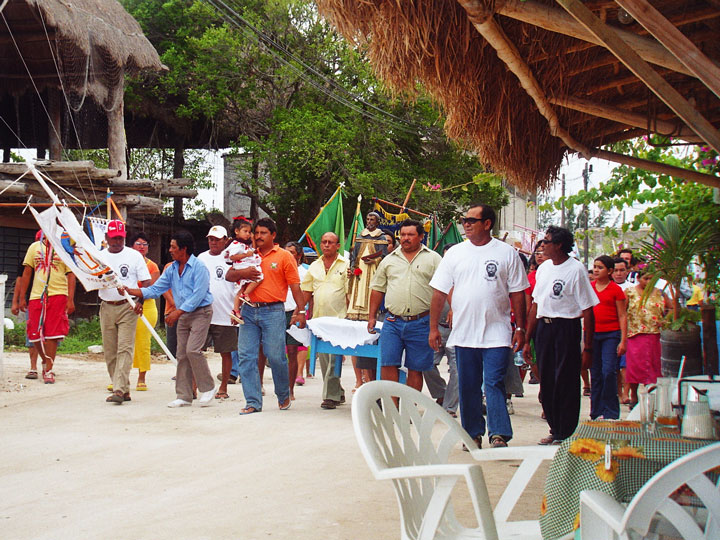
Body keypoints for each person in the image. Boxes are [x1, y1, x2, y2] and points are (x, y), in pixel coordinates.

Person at [429, 204, 528, 449]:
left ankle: (499, 434)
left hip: (497, 332)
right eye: (464, 220)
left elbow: (518, 294)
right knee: (468, 384)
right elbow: (439, 292)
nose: (466, 224)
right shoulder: (454, 253)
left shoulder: (506, 253)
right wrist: (433, 328)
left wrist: (521, 328)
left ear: (487, 224)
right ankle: (472, 433)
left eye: (472, 220)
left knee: (493, 382)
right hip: (463, 334)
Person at [124, 231, 216, 408]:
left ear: (184, 249)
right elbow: (156, 289)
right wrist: (132, 291)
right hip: (183, 314)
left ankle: (208, 387)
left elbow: (198, 296)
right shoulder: (171, 269)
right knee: (181, 354)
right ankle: (184, 395)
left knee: (193, 350)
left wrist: (177, 313)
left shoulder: (199, 267)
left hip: (201, 312)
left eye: (174, 247)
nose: (170, 250)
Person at [524, 226, 598, 445]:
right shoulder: (544, 269)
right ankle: (554, 428)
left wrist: (589, 347)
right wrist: (528, 338)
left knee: (565, 380)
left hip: (566, 327)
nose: (542, 245)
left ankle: (566, 431)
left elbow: (587, 309)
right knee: (546, 380)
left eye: (547, 241)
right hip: (544, 328)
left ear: (559, 245)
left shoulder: (575, 270)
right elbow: (536, 304)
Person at [226, 217, 306, 415]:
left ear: (273, 235)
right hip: (248, 310)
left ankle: (283, 394)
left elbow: (295, 286)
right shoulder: (246, 253)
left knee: (276, 356)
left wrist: (301, 311)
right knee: (246, 356)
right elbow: (229, 275)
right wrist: (245, 271)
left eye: (263, 233)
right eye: (256, 233)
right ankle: (253, 401)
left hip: (273, 311)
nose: (258, 237)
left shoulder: (284, 256)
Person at [368, 219, 441, 391]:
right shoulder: (389, 260)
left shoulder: (433, 259)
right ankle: (392, 408)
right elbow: (377, 289)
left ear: (421, 237)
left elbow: (444, 288)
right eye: (403, 234)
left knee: (416, 369)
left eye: (411, 235)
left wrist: (451, 310)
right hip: (393, 321)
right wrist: (371, 317)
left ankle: (409, 410)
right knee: (388, 364)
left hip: (421, 322)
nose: (406, 238)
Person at [98, 221, 152, 404]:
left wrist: (140, 302)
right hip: (106, 305)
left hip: (128, 306)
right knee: (110, 351)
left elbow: (146, 283)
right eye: (113, 238)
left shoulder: (134, 256)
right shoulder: (99, 257)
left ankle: (118, 390)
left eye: (120, 238)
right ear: (106, 238)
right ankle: (124, 388)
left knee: (125, 348)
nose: (117, 242)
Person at [18, 230, 76, 384]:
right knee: (34, 333)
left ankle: (48, 369)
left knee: (52, 334)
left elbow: (71, 275)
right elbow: (27, 272)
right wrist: (22, 297)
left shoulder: (63, 248)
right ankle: (45, 360)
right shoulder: (34, 247)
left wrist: (70, 299)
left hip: (58, 294)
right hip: (37, 295)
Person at [301, 232, 349, 409]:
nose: (327, 245)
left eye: (331, 242)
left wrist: (352, 316)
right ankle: (338, 392)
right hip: (319, 320)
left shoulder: (346, 265)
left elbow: (349, 292)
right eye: (324, 242)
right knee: (324, 359)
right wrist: (299, 311)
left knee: (334, 358)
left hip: (339, 319)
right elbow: (306, 290)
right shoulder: (314, 266)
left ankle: (330, 396)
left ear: (338, 246)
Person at [197, 225, 239, 400]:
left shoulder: (233, 259)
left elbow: (238, 285)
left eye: (217, 239)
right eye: (211, 239)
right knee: (195, 351)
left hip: (225, 313)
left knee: (226, 352)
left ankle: (223, 387)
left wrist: (236, 309)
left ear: (226, 240)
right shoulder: (201, 258)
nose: (213, 242)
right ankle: (195, 385)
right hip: (202, 313)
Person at [589, 255, 627, 420]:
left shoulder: (615, 290)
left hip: (611, 334)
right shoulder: (589, 287)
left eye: (600, 267)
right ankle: (596, 411)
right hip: (592, 334)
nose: (596, 270)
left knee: (608, 372)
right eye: (595, 267)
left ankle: (611, 411)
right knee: (595, 373)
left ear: (609, 271)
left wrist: (623, 340)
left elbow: (622, 315)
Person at [625, 268, 670, 406]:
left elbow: (672, 308)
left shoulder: (660, 293)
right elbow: (621, 312)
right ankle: (634, 395)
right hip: (635, 334)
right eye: (646, 279)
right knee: (634, 367)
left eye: (652, 279)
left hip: (654, 335)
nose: (649, 282)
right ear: (638, 278)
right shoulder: (630, 292)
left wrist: (665, 320)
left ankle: (652, 396)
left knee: (654, 366)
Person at [129, 232, 160, 391]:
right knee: (123, 342)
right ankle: (120, 377)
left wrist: (139, 299)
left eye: (144, 244)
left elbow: (150, 289)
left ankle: (142, 377)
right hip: (126, 303)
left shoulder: (152, 266)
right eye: (138, 243)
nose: (141, 247)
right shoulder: (125, 262)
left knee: (143, 342)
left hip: (146, 305)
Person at [283, 241, 309, 396]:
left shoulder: (305, 273)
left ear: (299, 255)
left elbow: (309, 295)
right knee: (272, 352)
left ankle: (290, 389)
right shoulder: (279, 268)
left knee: (292, 351)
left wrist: (304, 313)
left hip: (295, 313)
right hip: (277, 312)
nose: (288, 255)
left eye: (291, 252)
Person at [225, 219, 263, 324]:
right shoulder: (236, 244)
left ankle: (236, 310)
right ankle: (245, 294)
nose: (248, 234)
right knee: (259, 276)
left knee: (240, 289)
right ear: (237, 231)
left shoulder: (245, 243)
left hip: (246, 263)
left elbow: (253, 251)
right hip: (241, 265)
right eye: (245, 231)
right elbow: (232, 257)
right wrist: (245, 255)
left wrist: (253, 240)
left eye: (249, 232)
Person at [11, 259, 39, 380]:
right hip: (32, 300)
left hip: (52, 299)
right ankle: (33, 368)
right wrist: (15, 301)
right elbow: (20, 281)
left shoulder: (57, 256)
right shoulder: (28, 259)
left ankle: (48, 367)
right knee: (32, 334)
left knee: (50, 336)